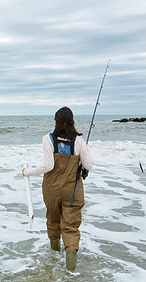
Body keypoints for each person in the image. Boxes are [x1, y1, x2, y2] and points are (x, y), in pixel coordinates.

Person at [22, 106, 93, 271]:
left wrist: (27, 172)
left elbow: (48, 165)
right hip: (72, 191)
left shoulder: (48, 139)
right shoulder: (79, 141)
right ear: (72, 122)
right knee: (70, 227)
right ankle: (70, 272)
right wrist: (86, 149)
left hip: (51, 190)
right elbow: (88, 164)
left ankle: (53, 263)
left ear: (56, 122)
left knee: (53, 223)